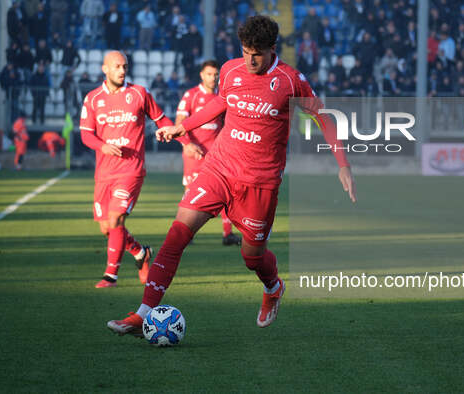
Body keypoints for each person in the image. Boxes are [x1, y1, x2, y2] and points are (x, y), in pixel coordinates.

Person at [107, 16, 356, 336]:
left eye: (258, 53)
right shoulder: (230, 70)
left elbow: (322, 116)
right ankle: (144, 312)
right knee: (177, 235)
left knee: (252, 257)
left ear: (272, 49)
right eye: (246, 51)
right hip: (219, 169)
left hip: (260, 183)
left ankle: (273, 287)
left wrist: (343, 164)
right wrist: (184, 126)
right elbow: (221, 103)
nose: (251, 59)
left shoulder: (290, 80)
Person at [79, 51, 173, 288]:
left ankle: (110, 275)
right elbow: (86, 135)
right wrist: (103, 146)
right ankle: (140, 252)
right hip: (104, 172)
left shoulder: (139, 93)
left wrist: (185, 139)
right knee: (106, 228)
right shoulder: (92, 98)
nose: (122, 70)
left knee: (116, 218)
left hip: (131, 169)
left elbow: (162, 120)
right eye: (117, 66)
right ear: (105, 69)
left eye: (125, 66)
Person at [174, 60, 241, 246]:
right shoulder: (191, 95)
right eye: (209, 74)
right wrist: (186, 144)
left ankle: (228, 234)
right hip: (195, 153)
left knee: (226, 193)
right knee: (191, 193)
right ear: (202, 75)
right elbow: (179, 121)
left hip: (217, 155)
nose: (213, 78)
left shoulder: (223, 96)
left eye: (216, 74)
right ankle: (185, 233)